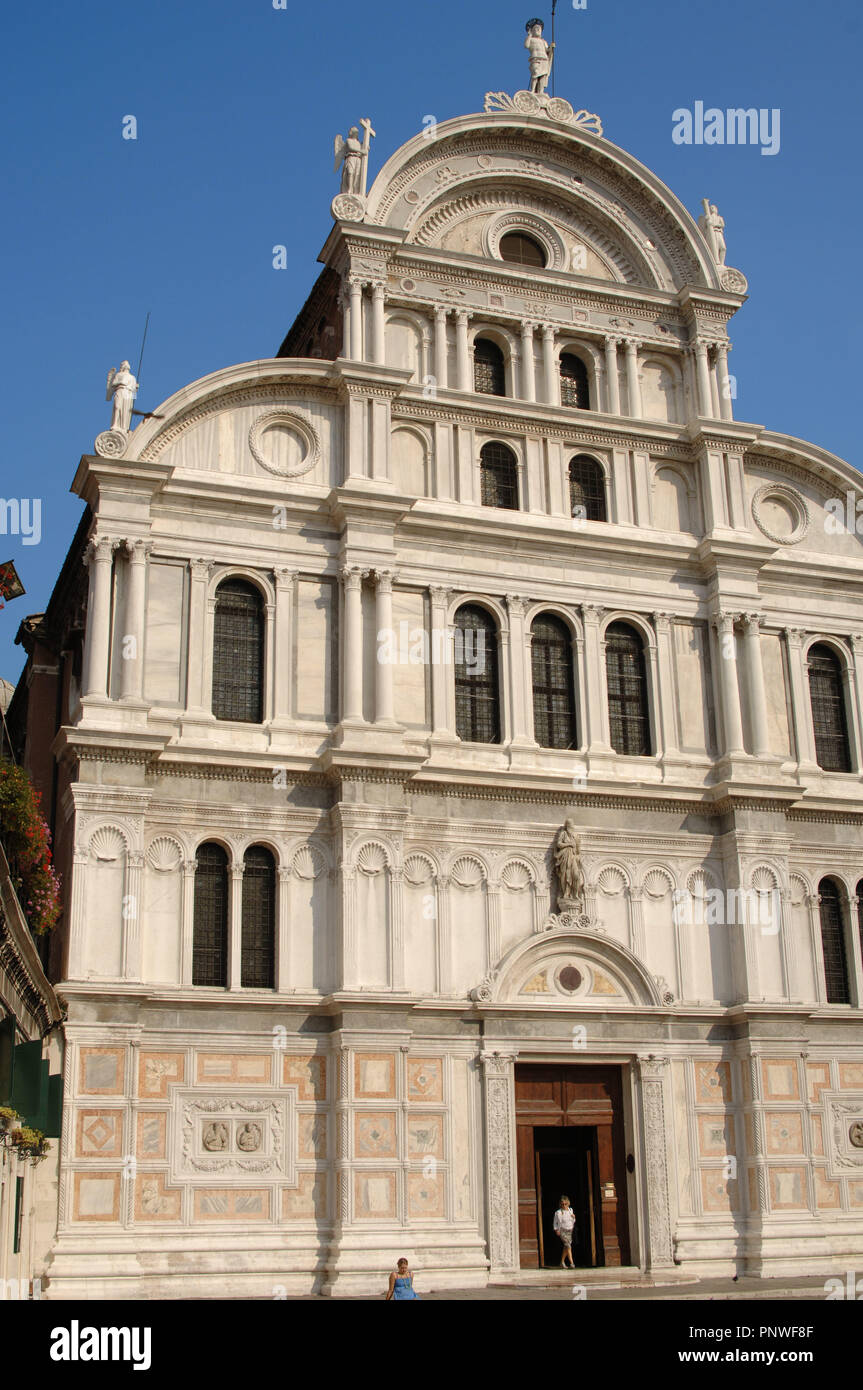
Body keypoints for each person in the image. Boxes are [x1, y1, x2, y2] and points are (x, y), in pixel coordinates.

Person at [524, 19, 555, 96]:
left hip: (544, 59)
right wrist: (529, 35)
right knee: (535, 74)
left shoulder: (543, 41)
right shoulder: (531, 39)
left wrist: (551, 48)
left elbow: (547, 51)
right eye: (536, 28)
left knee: (542, 76)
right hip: (535, 58)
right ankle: (533, 90)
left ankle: (541, 91)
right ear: (532, 30)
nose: (538, 30)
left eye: (539, 29)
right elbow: (526, 46)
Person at [553, 1195, 577, 1269]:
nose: (564, 1205)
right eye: (562, 1204)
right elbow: (555, 1222)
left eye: (565, 1204)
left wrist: (574, 1217)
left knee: (566, 1247)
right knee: (568, 1246)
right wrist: (556, 1229)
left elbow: (573, 1221)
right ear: (560, 1204)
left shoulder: (570, 1211)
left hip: (569, 1230)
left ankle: (562, 1262)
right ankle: (572, 1263)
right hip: (562, 1231)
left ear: (568, 1203)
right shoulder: (558, 1212)